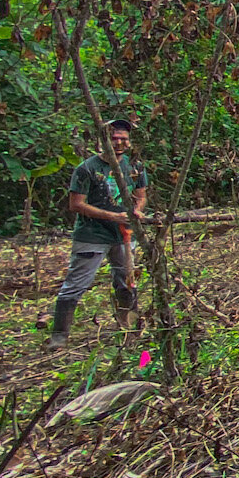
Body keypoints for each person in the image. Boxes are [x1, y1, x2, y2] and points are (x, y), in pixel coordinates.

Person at [48, 118, 147, 347]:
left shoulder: (135, 167)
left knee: (127, 281)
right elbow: (76, 204)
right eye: (115, 138)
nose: (120, 143)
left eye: (124, 138)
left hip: (124, 234)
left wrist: (136, 212)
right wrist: (112, 216)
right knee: (77, 283)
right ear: (103, 141)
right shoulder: (87, 169)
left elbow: (141, 197)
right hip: (92, 235)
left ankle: (129, 329)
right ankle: (59, 335)